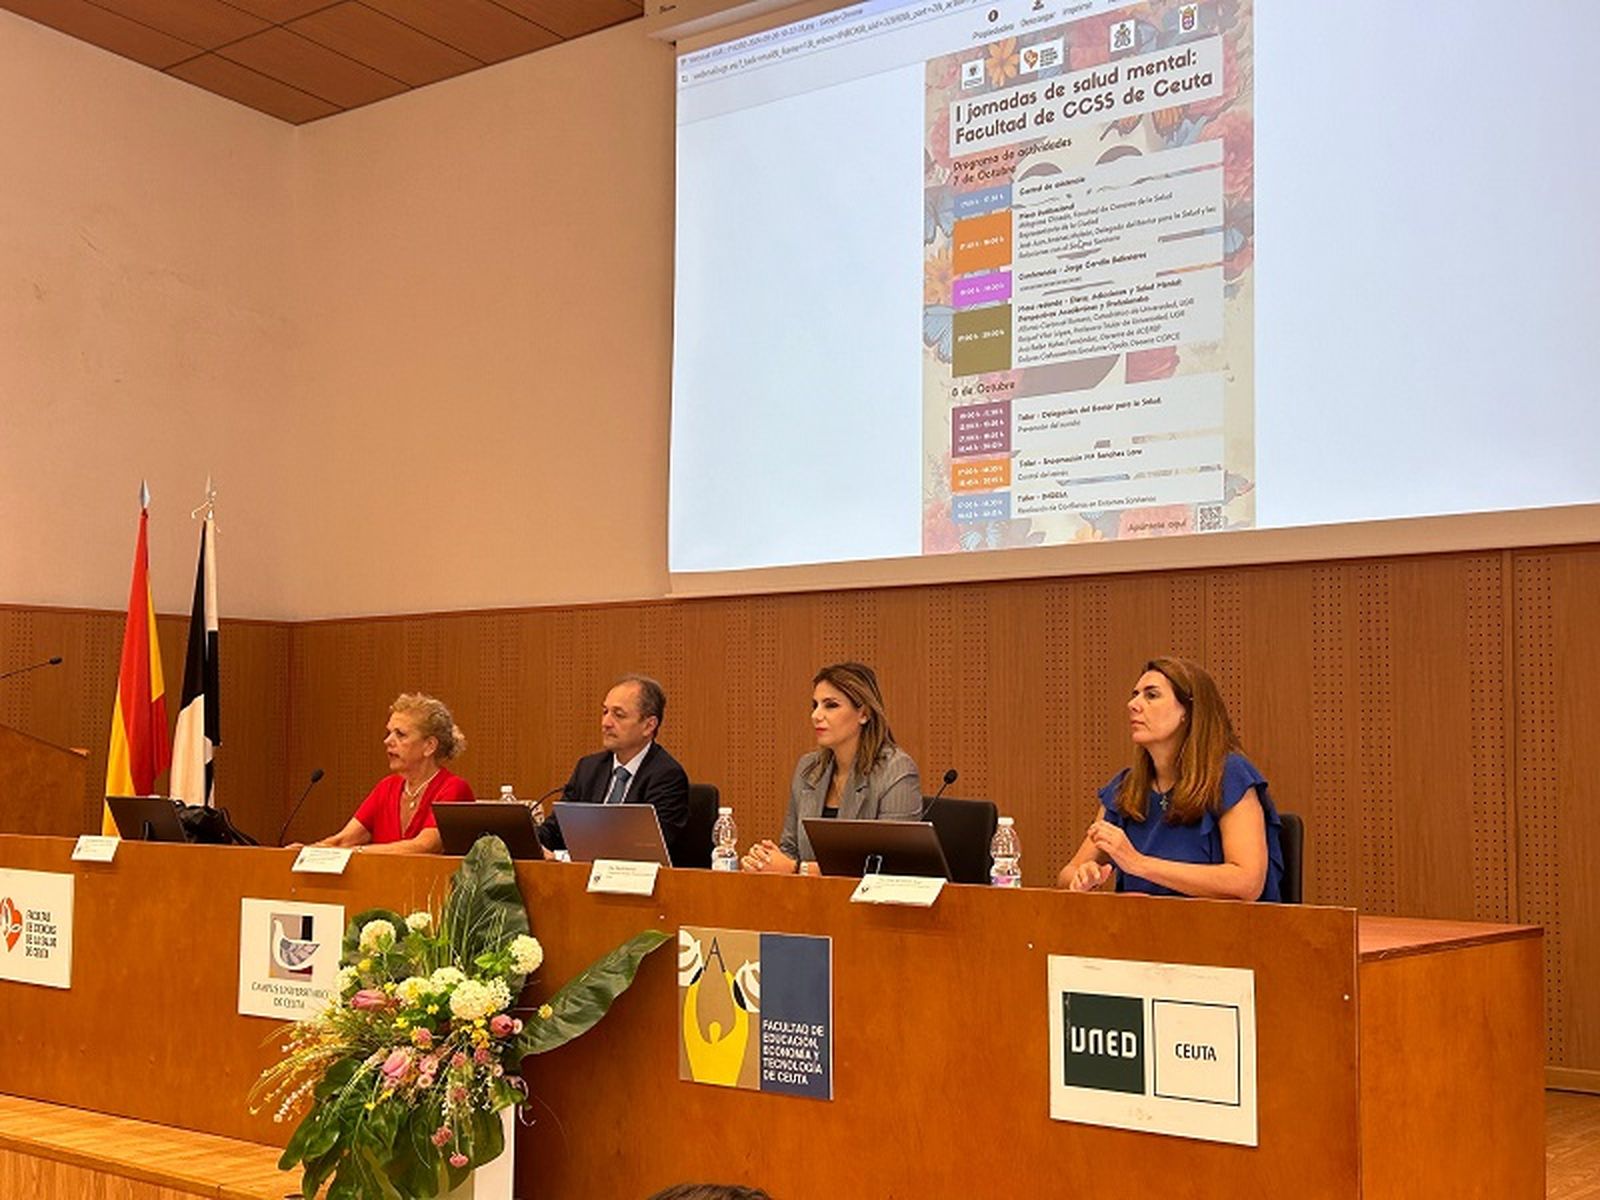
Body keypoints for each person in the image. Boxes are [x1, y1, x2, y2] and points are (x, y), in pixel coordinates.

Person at [1058, 656, 1283, 900]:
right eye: (1135, 694)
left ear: (1188, 710)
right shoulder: (1126, 788)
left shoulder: (1230, 775)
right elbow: (1067, 874)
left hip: (1218, 924)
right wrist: (1081, 877)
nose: (1133, 704)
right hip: (1138, 923)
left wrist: (1139, 864)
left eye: (1151, 695)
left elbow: (1246, 883)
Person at [743, 662, 920, 875]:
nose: (816, 715)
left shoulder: (896, 771)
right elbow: (790, 849)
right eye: (815, 705)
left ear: (864, 713)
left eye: (831, 705)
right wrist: (766, 861)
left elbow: (891, 866)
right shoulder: (808, 769)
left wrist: (797, 869)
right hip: (809, 894)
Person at [538, 675, 691, 865]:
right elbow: (556, 829)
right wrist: (529, 842)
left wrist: (562, 858)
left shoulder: (667, 776)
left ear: (648, 725)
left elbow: (644, 850)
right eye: (605, 712)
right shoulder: (588, 768)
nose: (606, 723)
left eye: (618, 715)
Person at [309, 693, 471, 855]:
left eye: (400, 734)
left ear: (429, 746)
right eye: (389, 733)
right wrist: (306, 852)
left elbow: (424, 846)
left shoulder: (453, 788)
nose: (387, 741)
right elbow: (342, 841)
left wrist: (356, 851)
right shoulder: (386, 787)